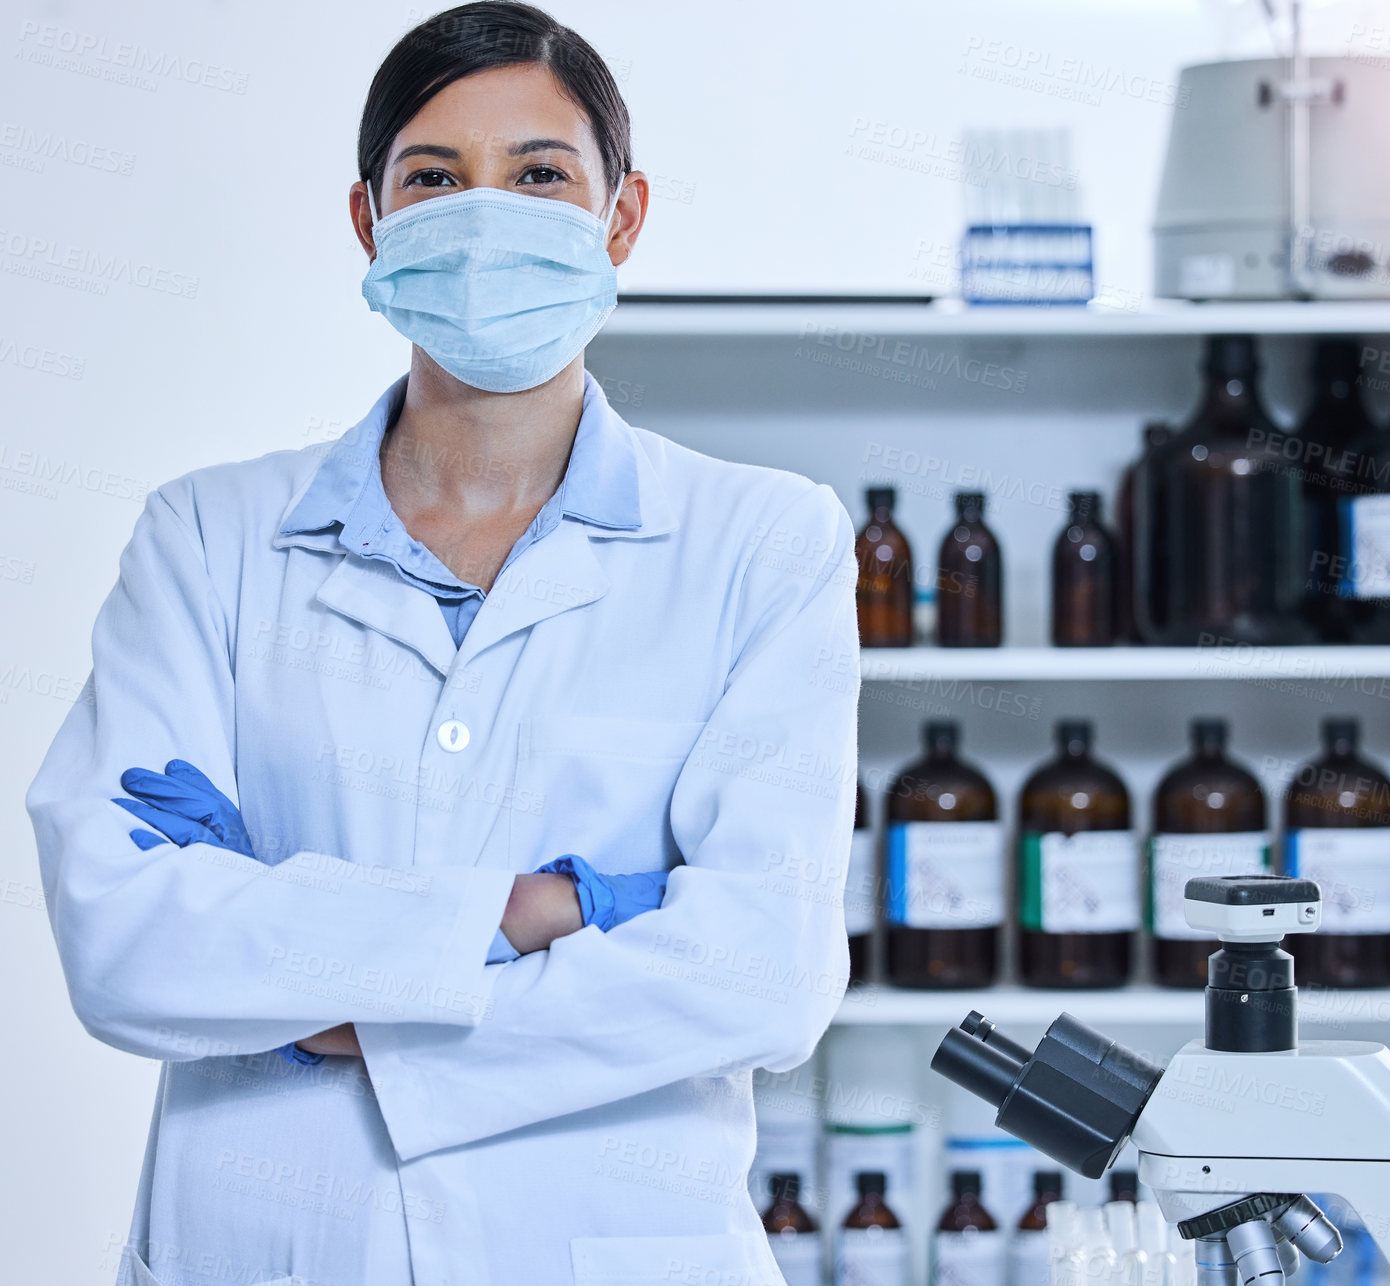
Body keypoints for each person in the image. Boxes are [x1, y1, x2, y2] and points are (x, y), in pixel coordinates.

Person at [25, 5, 861, 1284]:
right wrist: (535, 914)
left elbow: (762, 969)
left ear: (620, 215)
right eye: (433, 178)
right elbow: (130, 940)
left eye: (538, 175)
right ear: (370, 222)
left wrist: (333, 989)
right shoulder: (211, 536)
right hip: (265, 1245)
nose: (485, 217)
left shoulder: (762, 541)